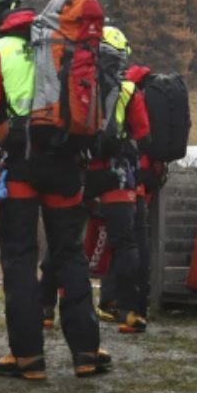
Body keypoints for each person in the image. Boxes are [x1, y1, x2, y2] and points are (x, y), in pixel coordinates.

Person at [0, 0, 109, 380]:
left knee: (19, 259)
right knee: (69, 254)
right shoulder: (59, 44)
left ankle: (27, 358)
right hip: (67, 161)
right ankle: (87, 353)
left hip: (22, 164)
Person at [44, 26, 152, 334]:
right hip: (116, 175)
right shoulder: (130, 90)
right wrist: (123, 146)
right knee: (125, 243)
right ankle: (130, 312)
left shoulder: (74, 83)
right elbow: (144, 139)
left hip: (80, 171)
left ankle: (45, 308)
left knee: (63, 238)